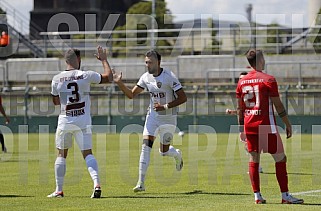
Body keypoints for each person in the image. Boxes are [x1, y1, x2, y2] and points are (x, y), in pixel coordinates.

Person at [113, 50, 187, 192]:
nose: (148, 65)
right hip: (152, 117)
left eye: (150, 62)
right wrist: (120, 83)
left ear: (158, 62)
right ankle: (141, 183)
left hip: (169, 119)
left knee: (163, 152)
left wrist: (164, 106)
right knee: (146, 146)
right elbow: (131, 95)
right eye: (146, 62)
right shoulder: (145, 78)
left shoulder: (169, 76)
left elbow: (183, 98)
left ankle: (177, 154)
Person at [236, 49, 304, 204]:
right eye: (263, 57)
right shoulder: (268, 79)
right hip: (266, 126)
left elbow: (240, 108)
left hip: (249, 125)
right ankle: (285, 196)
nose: (265, 60)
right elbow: (278, 106)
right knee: (281, 158)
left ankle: (257, 196)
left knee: (254, 159)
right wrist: (287, 123)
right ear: (260, 60)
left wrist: (241, 129)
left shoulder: (242, 81)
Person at [48, 46, 113, 198]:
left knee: (61, 155)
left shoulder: (56, 78)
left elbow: (56, 102)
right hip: (83, 120)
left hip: (65, 120)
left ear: (65, 60)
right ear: (78, 59)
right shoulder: (86, 75)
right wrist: (103, 60)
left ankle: (59, 190)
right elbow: (109, 77)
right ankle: (96, 184)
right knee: (88, 154)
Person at [226, 71, 263, 174]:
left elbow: (249, 109)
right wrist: (232, 112)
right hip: (241, 124)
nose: (241, 80)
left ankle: (256, 166)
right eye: (240, 79)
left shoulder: (250, 93)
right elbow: (241, 110)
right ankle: (257, 165)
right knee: (247, 146)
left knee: (249, 146)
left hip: (249, 123)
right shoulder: (241, 92)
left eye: (243, 78)